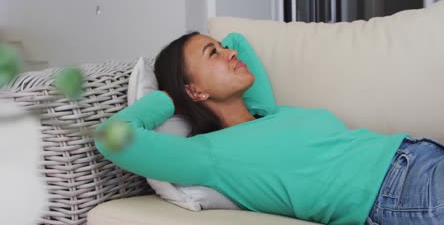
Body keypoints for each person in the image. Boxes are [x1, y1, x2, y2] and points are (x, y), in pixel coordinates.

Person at [95, 32, 444, 225]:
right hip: (397, 194)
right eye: (212, 53)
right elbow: (111, 138)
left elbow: (239, 40)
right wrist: (171, 98)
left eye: (221, 47)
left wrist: (218, 52)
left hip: (419, 155)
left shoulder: (267, 113)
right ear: (195, 90)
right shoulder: (209, 155)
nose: (229, 51)